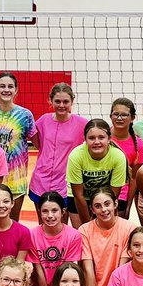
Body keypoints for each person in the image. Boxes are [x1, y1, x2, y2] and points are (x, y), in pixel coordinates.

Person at [78, 188, 137, 286]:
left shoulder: (130, 229)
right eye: (98, 206)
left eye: (107, 204)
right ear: (92, 209)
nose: (103, 210)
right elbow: (88, 270)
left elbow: (121, 272)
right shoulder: (84, 230)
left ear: (115, 204)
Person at [29, 83, 88, 226]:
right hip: (40, 181)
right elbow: (38, 144)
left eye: (66, 101)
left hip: (65, 183)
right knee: (43, 225)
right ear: (50, 101)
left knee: (62, 226)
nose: (61, 105)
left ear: (72, 102)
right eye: (57, 101)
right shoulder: (43, 120)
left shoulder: (82, 124)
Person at [0, 72, 37, 220]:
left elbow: (39, 144)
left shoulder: (25, 115)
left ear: (16, 90)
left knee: (13, 224)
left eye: (10, 86)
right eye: (2, 86)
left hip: (16, 178)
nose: (6, 90)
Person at [67, 119, 128, 224]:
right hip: (80, 197)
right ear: (85, 139)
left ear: (109, 139)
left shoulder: (118, 156)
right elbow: (78, 195)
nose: (96, 142)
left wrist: (101, 215)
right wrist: (88, 223)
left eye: (101, 137)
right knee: (82, 233)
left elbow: (113, 194)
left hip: (106, 197)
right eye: (91, 138)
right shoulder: (76, 155)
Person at [27, 193, 84, 286]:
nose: (50, 216)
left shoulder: (73, 235)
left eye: (54, 210)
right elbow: (39, 272)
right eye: (45, 211)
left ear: (63, 211)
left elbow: (68, 271)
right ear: (39, 212)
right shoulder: (32, 235)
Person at [109, 98, 143, 216]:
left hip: (121, 195)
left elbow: (134, 178)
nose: (119, 118)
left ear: (132, 118)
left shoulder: (138, 144)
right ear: (111, 116)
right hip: (99, 192)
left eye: (124, 115)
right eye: (116, 114)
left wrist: (129, 205)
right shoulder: (101, 138)